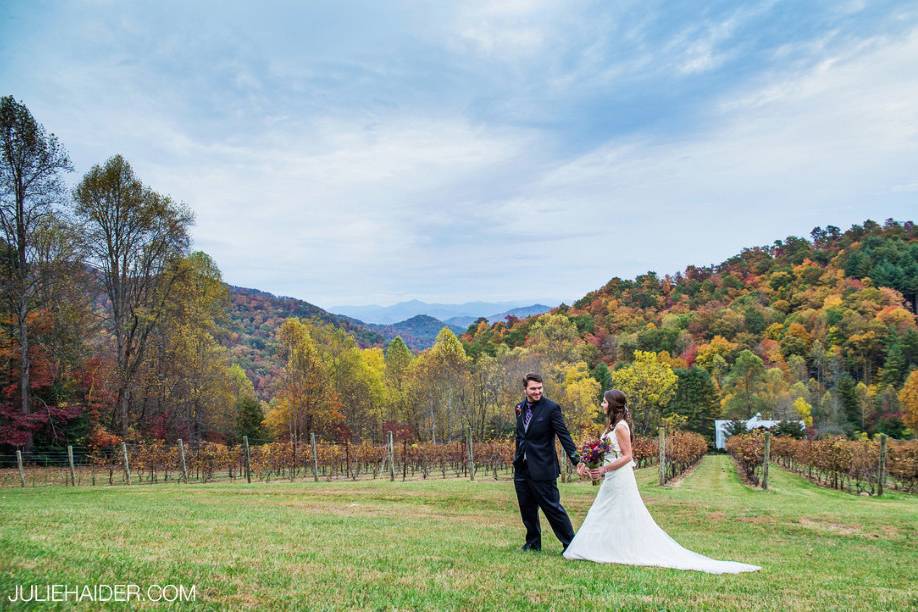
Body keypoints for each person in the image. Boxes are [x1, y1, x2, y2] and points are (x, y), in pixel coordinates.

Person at [563, 389, 761, 574]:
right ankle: (603, 548)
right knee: (606, 510)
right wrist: (591, 463)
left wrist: (605, 468)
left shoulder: (621, 427)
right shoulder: (611, 426)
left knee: (617, 510)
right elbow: (606, 451)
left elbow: (627, 456)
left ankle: (610, 549)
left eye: (604, 402)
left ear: (613, 405)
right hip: (612, 477)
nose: (601, 404)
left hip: (620, 478)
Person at [513, 372, 590, 552]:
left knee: (553, 508)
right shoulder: (518, 407)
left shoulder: (551, 408)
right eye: (533, 388)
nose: (537, 391)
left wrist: (576, 459)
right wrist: (518, 457)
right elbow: (521, 435)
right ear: (525, 389)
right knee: (527, 509)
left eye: (540, 388)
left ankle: (571, 545)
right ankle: (532, 544)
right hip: (522, 468)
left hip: (543, 467)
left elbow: (564, 435)